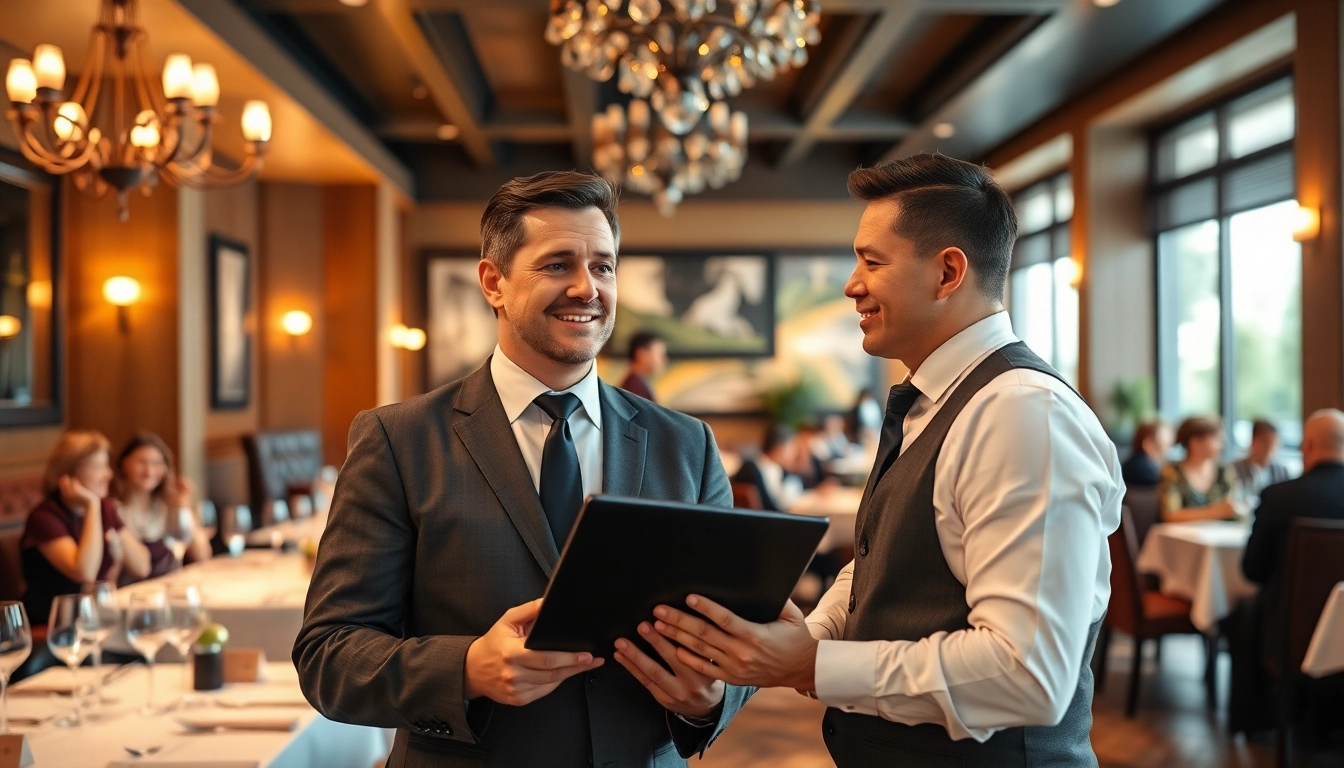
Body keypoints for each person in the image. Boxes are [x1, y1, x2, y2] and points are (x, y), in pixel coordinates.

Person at [645, 154, 1122, 766]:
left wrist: (813, 663)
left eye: (872, 261)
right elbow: (884, 564)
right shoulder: (933, 401)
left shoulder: (1021, 413)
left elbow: (1026, 673)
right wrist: (803, 640)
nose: (852, 283)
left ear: (948, 272)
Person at [294, 171, 748, 768]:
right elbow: (330, 654)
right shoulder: (398, 441)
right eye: (558, 264)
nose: (588, 288)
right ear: (494, 282)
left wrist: (712, 697)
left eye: (604, 266)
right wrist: (466, 669)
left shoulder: (686, 444)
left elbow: (734, 632)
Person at [1229, 409, 1344, 734]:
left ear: (1307, 446)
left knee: (1246, 610)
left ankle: (1255, 723)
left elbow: (1253, 571)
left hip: (1289, 632)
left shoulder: (1279, 497)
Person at [21, 430, 151, 626]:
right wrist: (92, 506)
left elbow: (142, 566)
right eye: (98, 466)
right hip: (53, 629)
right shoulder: (44, 517)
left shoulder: (104, 507)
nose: (108, 474)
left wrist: (102, 512)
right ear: (70, 473)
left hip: (95, 619)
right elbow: (84, 572)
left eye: (106, 465)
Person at [112, 431, 212, 579]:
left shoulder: (167, 507)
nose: (149, 471)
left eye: (157, 463)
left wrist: (183, 506)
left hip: (168, 586)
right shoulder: (114, 509)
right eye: (141, 462)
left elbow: (202, 555)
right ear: (124, 464)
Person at [1158, 416, 1241, 522]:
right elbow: (1170, 515)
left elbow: (1237, 503)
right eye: (1216, 439)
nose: (1221, 445)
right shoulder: (1172, 473)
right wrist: (1215, 512)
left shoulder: (1223, 471)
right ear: (1195, 443)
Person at [732, 424, 805, 512]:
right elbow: (767, 509)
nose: (794, 453)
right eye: (791, 447)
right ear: (778, 448)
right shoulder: (750, 470)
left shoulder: (777, 468)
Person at [1231, 418, 1291, 498]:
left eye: (1274, 444)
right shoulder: (1234, 470)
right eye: (1265, 443)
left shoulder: (1282, 472)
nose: (1270, 449)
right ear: (1253, 441)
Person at [1121, 419, 1172, 487]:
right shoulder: (1143, 470)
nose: (1167, 451)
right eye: (1165, 445)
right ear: (1148, 444)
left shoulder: (1131, 464)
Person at [620, 330, 666, 402]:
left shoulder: (636, 385)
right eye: (659, 354)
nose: (664, 360)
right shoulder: (635, 389)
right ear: (641, 354)